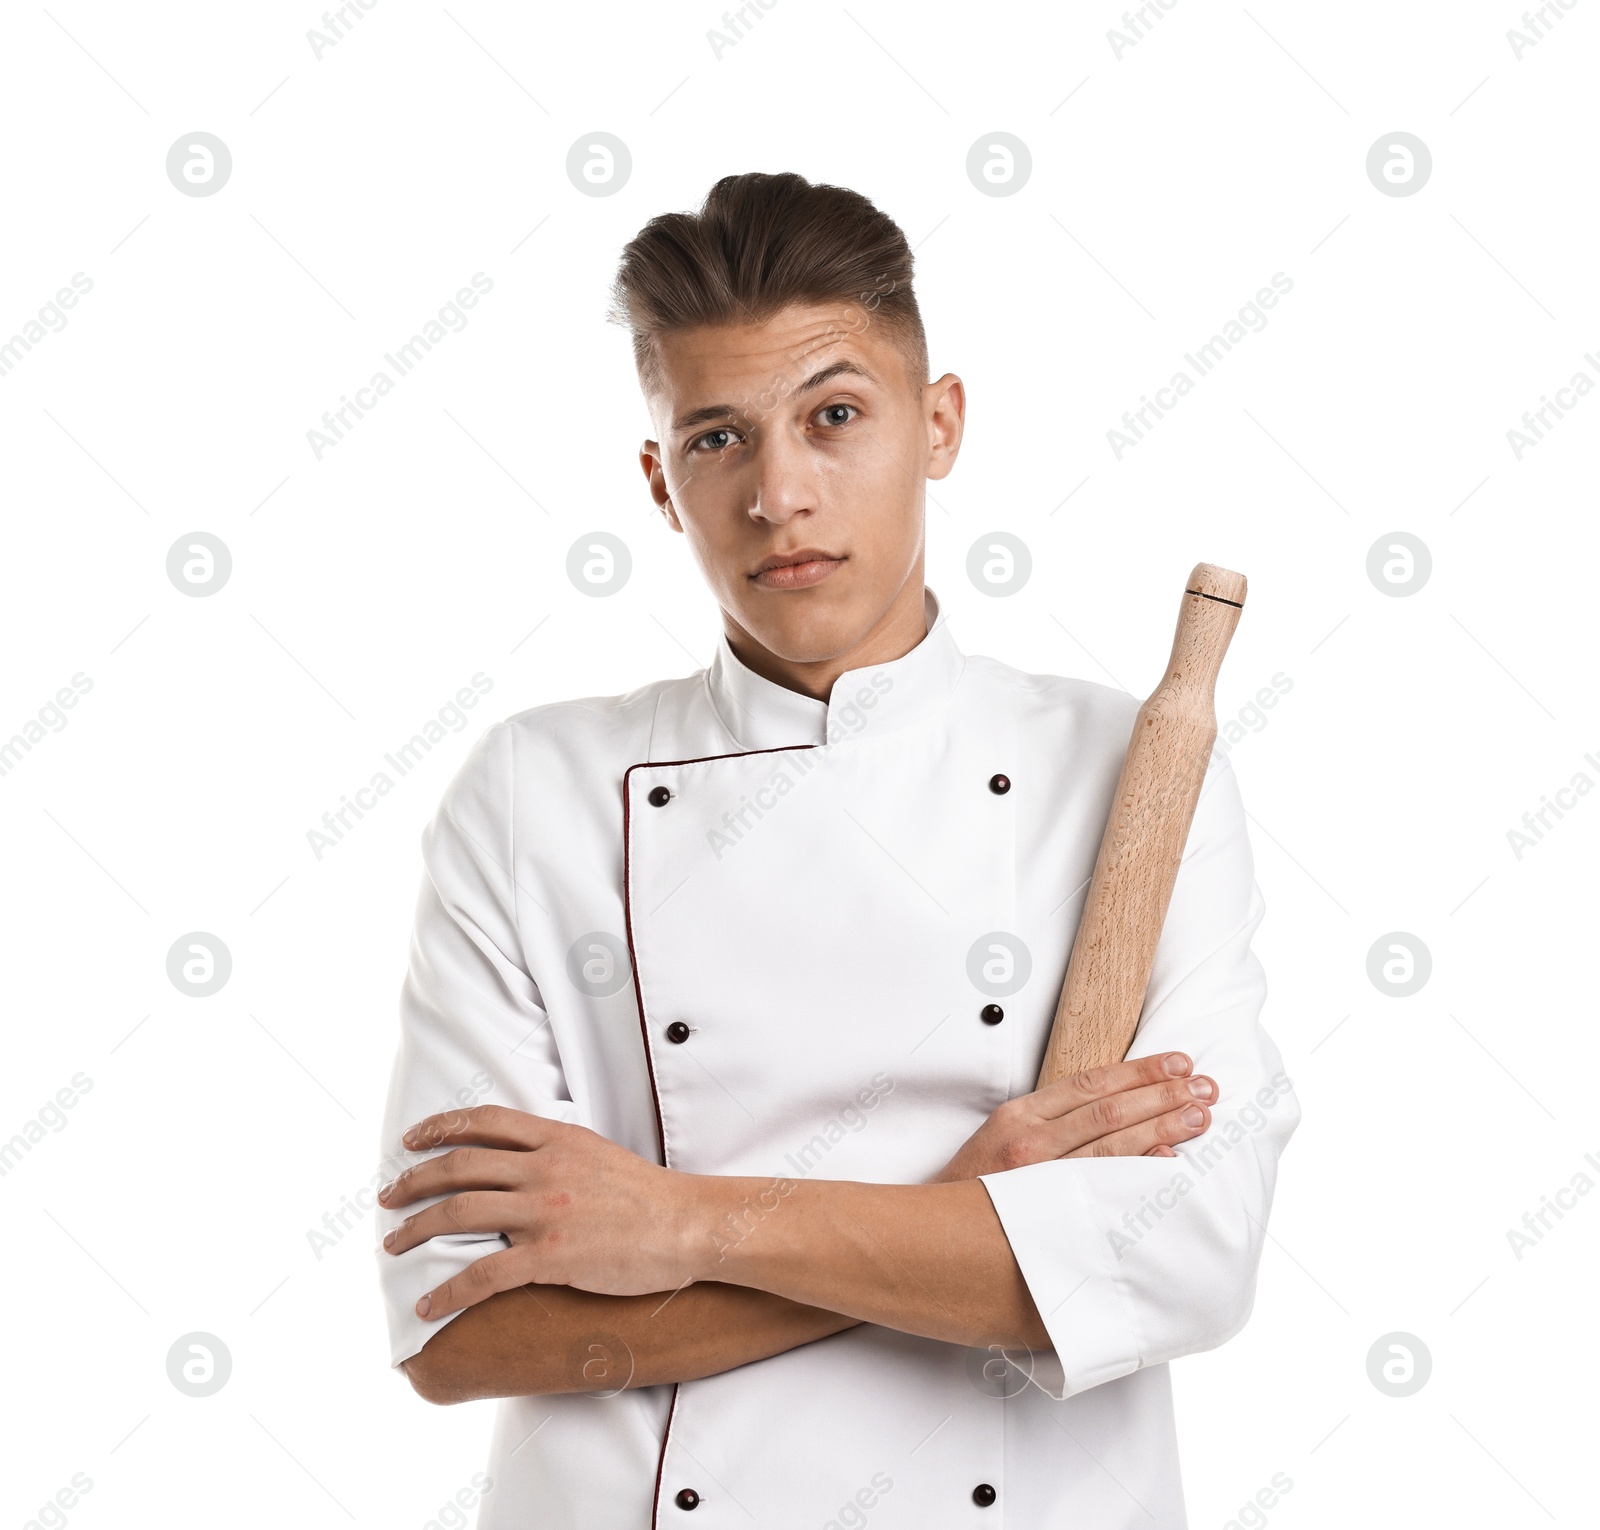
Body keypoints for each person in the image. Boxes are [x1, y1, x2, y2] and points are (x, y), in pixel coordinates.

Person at [374, 170, 1299, 1528]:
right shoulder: (534, 789)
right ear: (657, 479)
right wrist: (967, 1224)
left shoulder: (1126, 775)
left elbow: (1184, 1259)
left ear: (940, 425)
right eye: (717, 440)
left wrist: (672, 1225)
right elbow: (459, 1331)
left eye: (835, 416)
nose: (779, 494)